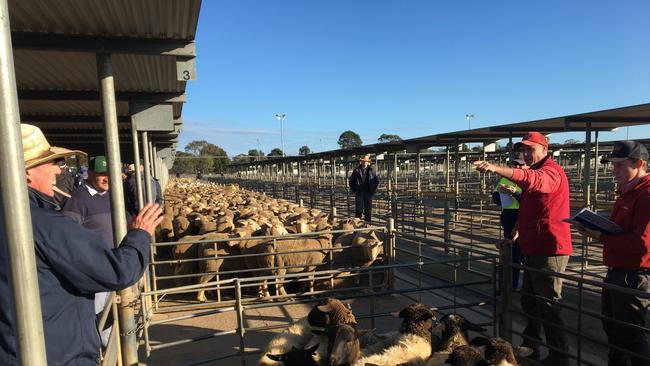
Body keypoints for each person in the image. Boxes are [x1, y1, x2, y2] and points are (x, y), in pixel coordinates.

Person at [0, 124, 163, 365]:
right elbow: (116, 271)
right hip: (58, 353)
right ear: (26, 172)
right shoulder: (43, 223)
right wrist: (139, 234)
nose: (58, 171)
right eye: (51, 163)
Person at [475, 131, 572, 366]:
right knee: (531, 303)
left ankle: (559, 357)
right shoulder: (537, 172)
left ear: (544, 149)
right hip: (533, 247)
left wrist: (496, 168)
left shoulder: (550, 172)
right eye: (524, 150)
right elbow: (528, 209)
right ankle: (531, 350)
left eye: (531, 149)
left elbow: (534, 181)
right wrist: (514, 235)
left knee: (548, 306)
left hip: (550, 249)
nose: (527, 154)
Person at [569, 141, 650, 366]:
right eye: (612, 165)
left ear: (639, 164)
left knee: (630, 336)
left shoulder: (646, 195)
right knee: (615, 332)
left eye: (619, 165)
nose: (613, 170)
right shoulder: (628, 193)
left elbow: (642, 243)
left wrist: (601, 236)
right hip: (619, 271)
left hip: (633, 274)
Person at [61, 155, 115, 347]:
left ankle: (112, 351)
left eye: (109, 173)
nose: (107, 178)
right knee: (98, 314)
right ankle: (101, 352)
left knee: (112, 312)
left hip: (112, 266)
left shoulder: (111, 196)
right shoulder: (78, 200)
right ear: (90, 174)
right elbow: (68, 235)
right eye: (101, 174)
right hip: (95, 269)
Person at [491, 156, 527, 289]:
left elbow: (529, 200)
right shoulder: (506, 179)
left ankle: (524, 285)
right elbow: (495, 197)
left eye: (520, 165)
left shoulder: (528, 180)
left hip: (523, 216)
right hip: (509, 217)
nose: (517, 167)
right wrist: (501, 194)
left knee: (523, 252)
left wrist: (515, 193)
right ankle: (511, 285)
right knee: (512, 252)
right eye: (515, 165)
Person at [348, 155, 379, 222]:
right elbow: (351, 181)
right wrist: (354, 190)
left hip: (368, 192)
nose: (365, 162)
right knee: (359, 210)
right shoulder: (356, 171)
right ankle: (357, 226)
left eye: (366, 161)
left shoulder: (371, 170)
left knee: (368, 210)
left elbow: (377, 181)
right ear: (361, 162)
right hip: (359, 193)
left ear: (368, 162)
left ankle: (367, 225)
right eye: (363, 161)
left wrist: (373, 190)